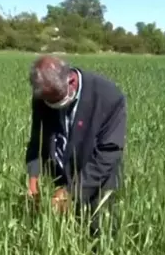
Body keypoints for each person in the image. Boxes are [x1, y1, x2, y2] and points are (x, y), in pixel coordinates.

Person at [25, 55, 127, 238]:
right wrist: (33, 180)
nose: (51, 105)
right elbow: (36, 140)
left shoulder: (108, 97)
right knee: (60, 235)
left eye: (56, 99)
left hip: (98, 176)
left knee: (99, 232)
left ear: (71, 81)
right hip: (61, 172)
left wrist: (72, 192)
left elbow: (109, 153)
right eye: (47, 101)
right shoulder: (43, 95)